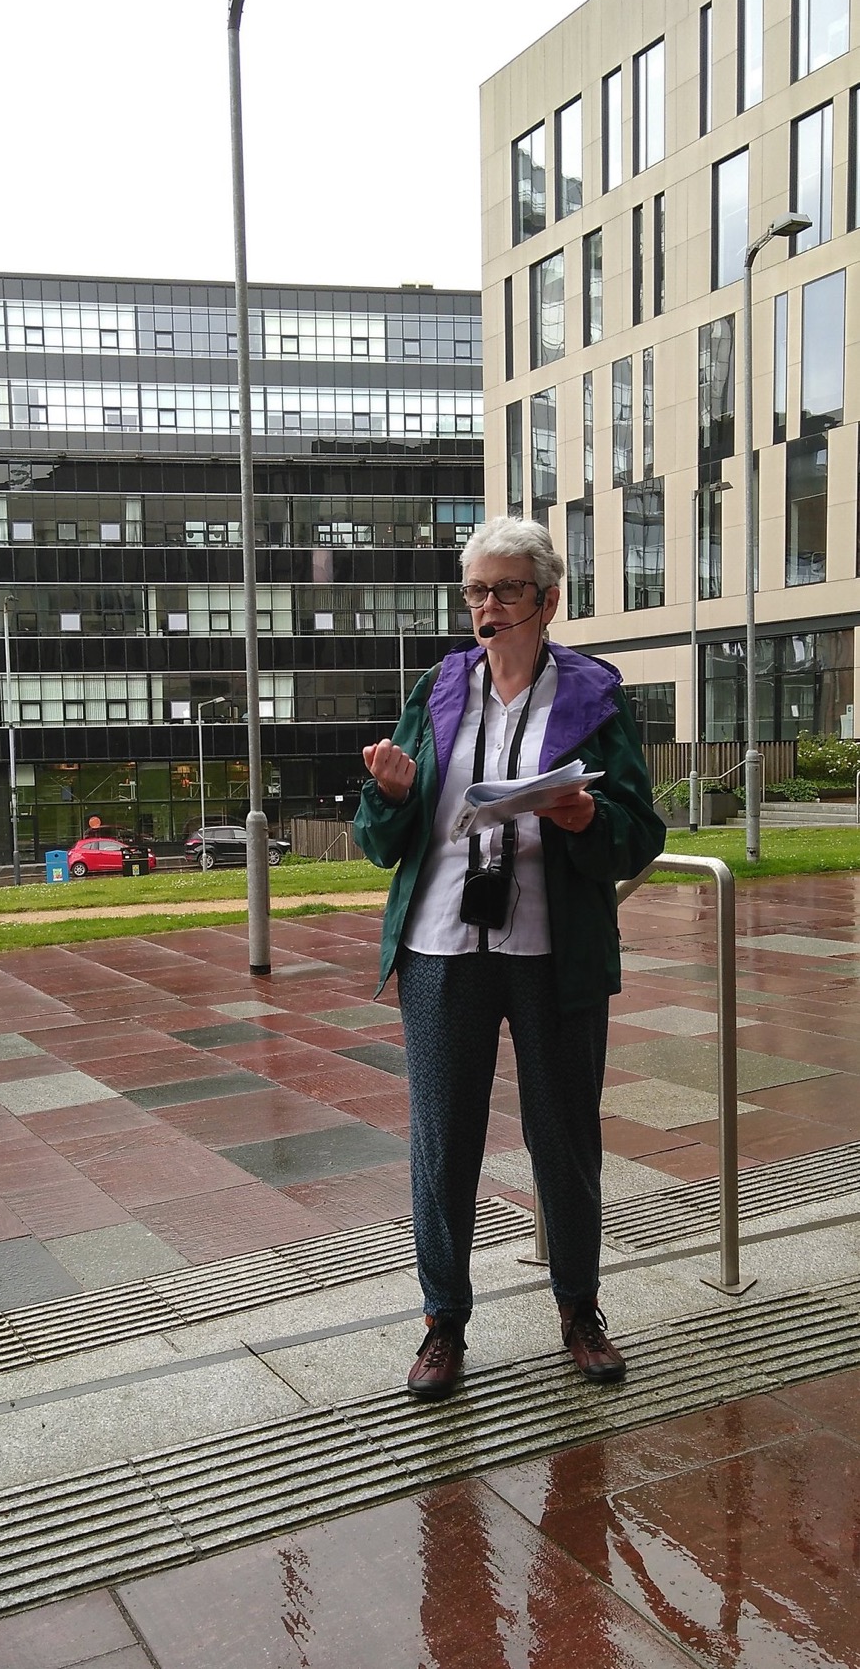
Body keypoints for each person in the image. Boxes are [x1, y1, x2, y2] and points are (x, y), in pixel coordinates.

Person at [354, 518, 665, 1401]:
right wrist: (392, 796)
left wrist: (586, 819)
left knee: (563, 1136)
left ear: (547, 599)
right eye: (475, 591)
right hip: (441, 948)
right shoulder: (437, 690)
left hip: (551, 951)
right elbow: (378, 841)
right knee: (441, 1140)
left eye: (506, 589)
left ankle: (579, 1310)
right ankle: (442, 1323)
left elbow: (639, 832)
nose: (487, 606)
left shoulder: (593, 697)